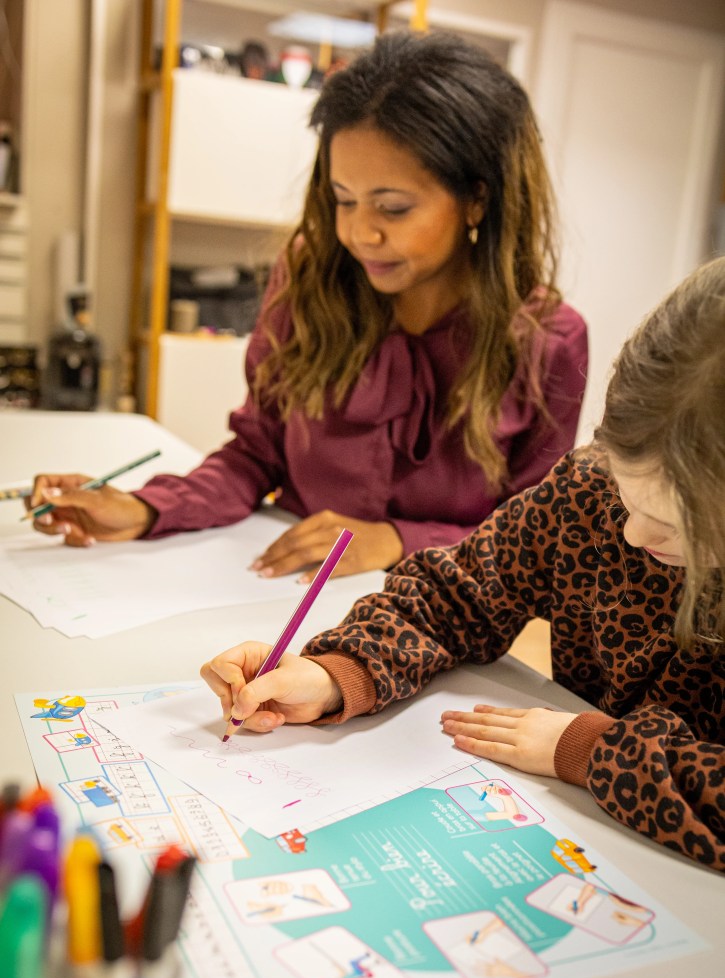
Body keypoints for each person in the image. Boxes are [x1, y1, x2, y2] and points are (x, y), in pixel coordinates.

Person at [201, 257, 725, 871]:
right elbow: (453, 597)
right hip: (584, 846)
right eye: (626, 493)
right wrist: (337, 672)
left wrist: (591, 750)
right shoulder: (587, 492)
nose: (633, 532)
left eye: (675, 524)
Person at [28, 32, 587, 582]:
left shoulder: (550, 342)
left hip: (438, 625)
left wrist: (396, 540)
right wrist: (147, 508)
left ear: (478, 199)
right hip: (277, 592)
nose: (359, 233)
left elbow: (527, 545)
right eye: (343, 200)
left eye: (392, 208)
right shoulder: (310, 278)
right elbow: (255, 454)